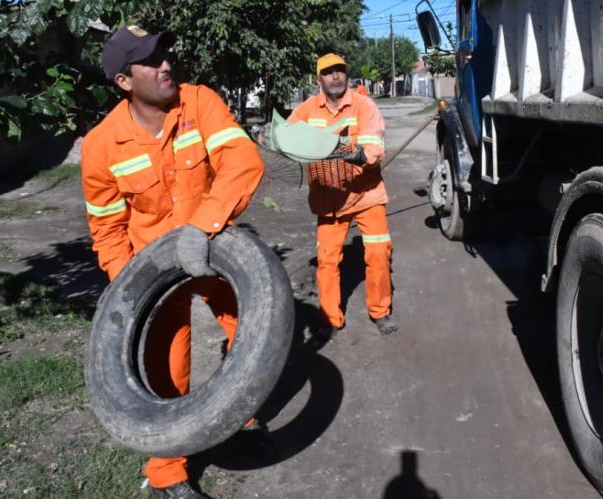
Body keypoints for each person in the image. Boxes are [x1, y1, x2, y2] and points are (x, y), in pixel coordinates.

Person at [81, 26, 265, 498]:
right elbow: (107, 228)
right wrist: (130, 292)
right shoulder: (102, 146)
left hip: (215, 246)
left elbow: (242, 160)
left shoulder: (198, 102)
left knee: (251, 327)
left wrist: (201, 229)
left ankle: (236, 412)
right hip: (154, 268)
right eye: (150, 60)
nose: (166, 64)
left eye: (165, 54)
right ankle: (168, 474)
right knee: (165, 363)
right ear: (124, 82)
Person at [288, 53, 397, 337]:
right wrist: (273, 137)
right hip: (329, 198)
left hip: (365, 194)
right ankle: (330, 318)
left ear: (346, 75)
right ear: (318, 79)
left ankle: (380, 311)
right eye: (328, 72)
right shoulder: (308, 109)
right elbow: (289, 134)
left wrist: (360, 153)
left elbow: (373, 141)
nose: (335, 76)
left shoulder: (363, 105)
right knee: (327, 259)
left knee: (377, 251)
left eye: (339, 71)